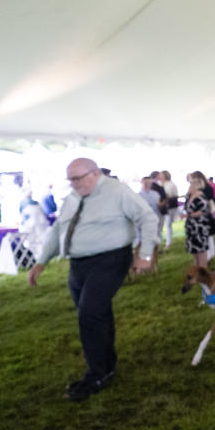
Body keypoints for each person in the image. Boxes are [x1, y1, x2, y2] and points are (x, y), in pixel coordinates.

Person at [27, 158, 158, 401]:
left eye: (77, 179)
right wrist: (41, 261)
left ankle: (96, 373)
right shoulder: (73, 197)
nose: (74, 184)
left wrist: (146, 254)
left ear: (95, 173)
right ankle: (107, 366)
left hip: (110, 259)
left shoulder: (117, 191)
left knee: (89, 313)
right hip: (78, 264)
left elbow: (147, 218)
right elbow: (59, 230)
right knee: (95, 313)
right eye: (71, 180)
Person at [184, 173, 214, 267]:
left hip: (200, 227)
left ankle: (203, 270)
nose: (189, 186)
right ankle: (196, 270)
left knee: (201, 250)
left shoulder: (201, 196)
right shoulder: (189, 196)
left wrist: (192, 215)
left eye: (191, 184)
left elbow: (204, 209)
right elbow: (186, 208)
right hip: (191, 227)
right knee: (194, 250)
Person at [137, 176, 162, 247]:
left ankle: (157, 249)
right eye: (145, 182)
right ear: (142, 183)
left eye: (149, 183)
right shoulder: (138, 195)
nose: (147, 184)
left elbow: (158, 205)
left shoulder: (155, 194)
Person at [160, 170, 179, 250]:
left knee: (168, 225)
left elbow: (173, 196)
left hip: (170, 207)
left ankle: (168, 242)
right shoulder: (161, 184)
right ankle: (165, 241)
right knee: (164, 225)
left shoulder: (171, 185)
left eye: (161, 175)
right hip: (164, 207)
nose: (160, 177)